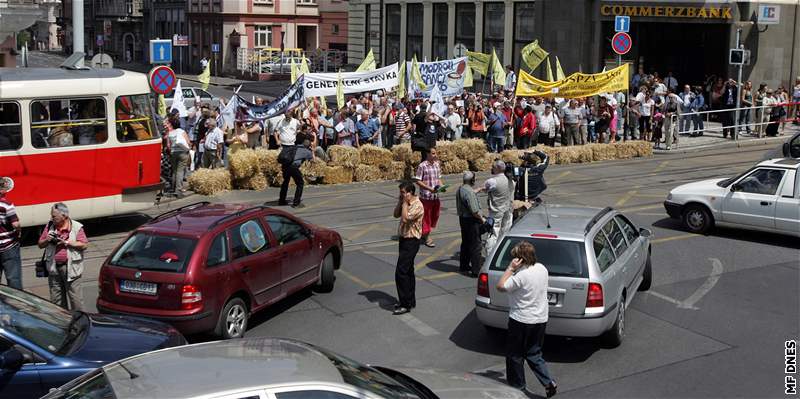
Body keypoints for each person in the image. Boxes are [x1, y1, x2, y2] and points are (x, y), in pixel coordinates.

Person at [496, 241, 557, 398]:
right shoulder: (542, 268)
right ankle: (548, 381)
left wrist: (510, 269)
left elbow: (500, 286)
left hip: (520, 320)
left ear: (520, 259)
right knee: (534, 353)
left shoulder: (520, 276)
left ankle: (518, 387)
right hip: (540, 319)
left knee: (514, 355)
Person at [38, 203, 88, 311]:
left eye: (54, 216)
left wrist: (67, 242)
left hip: (71, 268)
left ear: (64, 216)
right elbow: (40, 244)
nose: (52, 218)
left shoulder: (76, 227)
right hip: (53, 268)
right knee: (57, 301)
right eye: (51, 215)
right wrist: (47, 239)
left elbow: (84, 244)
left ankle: (79, 324)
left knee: (76, 300)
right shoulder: (50, 226)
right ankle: (62, 324)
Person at [392, 181, 424, 316]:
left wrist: (405, 203)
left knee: (401, 272)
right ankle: (410, 300)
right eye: (401, 193)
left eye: (404, 193)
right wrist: (401, 202)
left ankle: (405, 304)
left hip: (412, 241)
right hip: (404, 239)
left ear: (411, 193)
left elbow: (405, 219)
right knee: (409, 271)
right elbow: (395, 214)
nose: (402, 195)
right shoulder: (405, 202)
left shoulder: (418, 205)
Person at [478, 161, 513, 253]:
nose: (491, 168)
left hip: (496, 210)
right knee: (505, 231)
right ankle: (503, 251)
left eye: (493, 167)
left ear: (497, 169)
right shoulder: (510, 180)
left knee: (493, 233)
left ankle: (490, 255)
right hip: (508, 209)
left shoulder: (492, 181)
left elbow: (483, 189)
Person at [456, 171, 485, 277]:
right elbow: (475, 211)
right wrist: (482, 219)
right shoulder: (469, 193)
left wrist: (479, 189)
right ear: (472, 180)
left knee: (466, 243)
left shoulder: (461, 189)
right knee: (476, 245)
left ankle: (464, 265)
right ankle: (476, 270)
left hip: (463, 219)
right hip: (472, 221)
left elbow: (469, 194)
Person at [415, 148, 442, 248]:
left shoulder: (437, 164)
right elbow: (418, 180)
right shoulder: (422, 166)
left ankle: (424, 232)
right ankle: (427, 237)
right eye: (433, 153)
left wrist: (442, 186)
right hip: (426, 196)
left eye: (435, 153)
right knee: (426, 217)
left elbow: (438, 178)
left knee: (436, 215)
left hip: (435, 196)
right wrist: (429, 189)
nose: (435, 155)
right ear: (427, 154)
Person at [279, 139, 314, 208]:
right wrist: (312, 150)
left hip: (285, 165)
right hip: (293, 167)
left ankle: (281, 200)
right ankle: (296, 203)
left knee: (285, 182)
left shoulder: (294, 147)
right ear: (309, 146)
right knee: (300, 183)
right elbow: (313, 159)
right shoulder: (307, 151)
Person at [0, 177, 21, 289]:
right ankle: (16, 306)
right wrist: (19, 232)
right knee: (14, 281)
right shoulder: (7, 205)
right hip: (9, 246)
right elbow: (15, 224)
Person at [165, 115, 191, 196]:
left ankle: (173, 187)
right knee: (180, 171)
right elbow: (188, 142)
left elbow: (168, 146)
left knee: (174, 171)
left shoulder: (170, 133)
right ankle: (178, 190)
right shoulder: (182, 132)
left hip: (173, 153)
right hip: (183, 153)